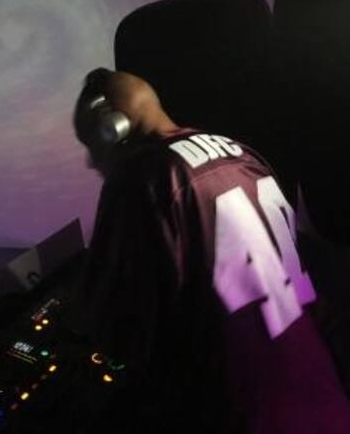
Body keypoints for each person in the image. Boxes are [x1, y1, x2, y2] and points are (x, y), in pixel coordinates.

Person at [72, 68, 350, 433]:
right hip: (322, 396)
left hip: (245, 412)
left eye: (90, 144)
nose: (91, 162)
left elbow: (114, 324)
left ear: (112, 129)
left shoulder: (142, 176)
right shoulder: (239, 152)